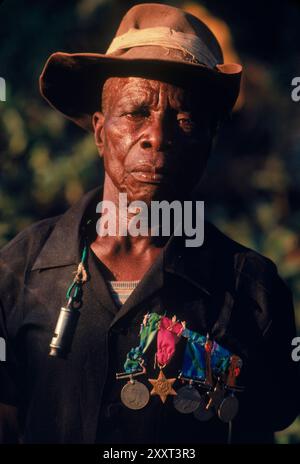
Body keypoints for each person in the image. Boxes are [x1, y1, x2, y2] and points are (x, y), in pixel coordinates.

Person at [0, 3, 299, 444]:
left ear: (208, 143)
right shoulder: (20, 269)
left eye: (185, 119)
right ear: (100, 131)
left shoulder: (252, 290)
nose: (157, 137)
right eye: (136, 112)